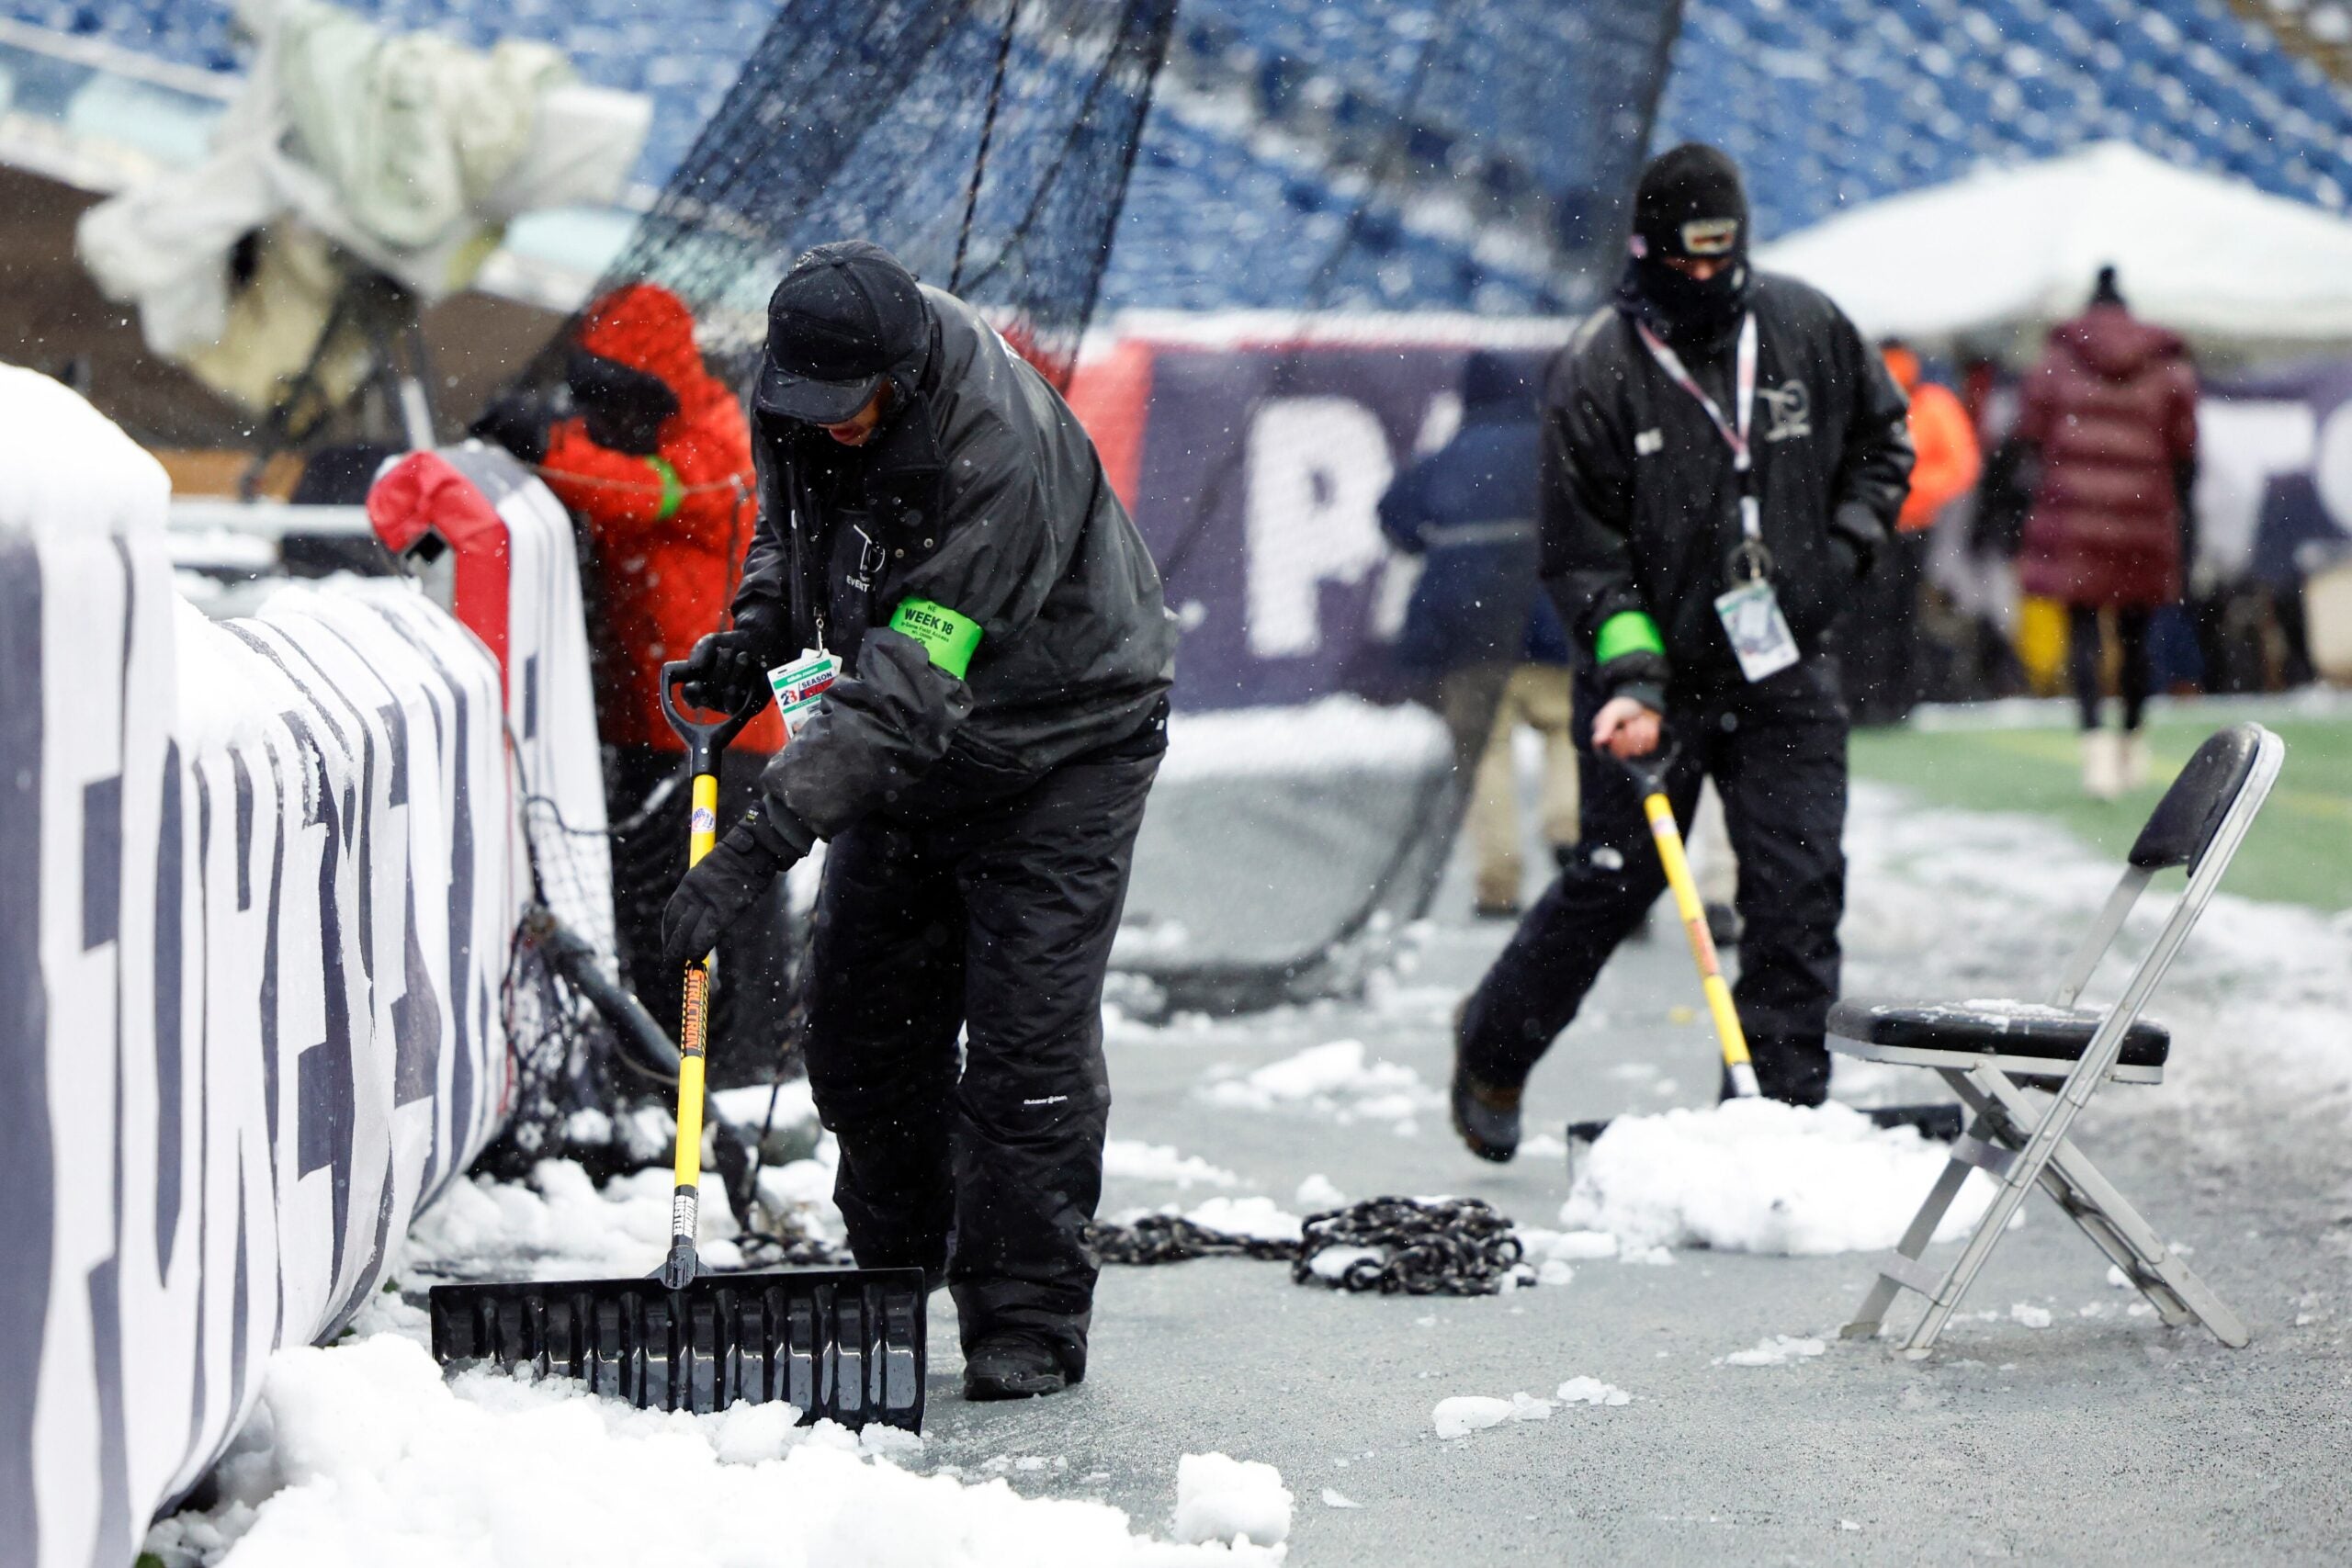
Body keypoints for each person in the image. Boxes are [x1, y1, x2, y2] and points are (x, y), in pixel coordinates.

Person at [661, 241, 1176, 1401]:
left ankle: (1026, 1314)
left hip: (1062, 745)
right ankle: (894, 1273)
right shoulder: (804, 381)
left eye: (851, 409)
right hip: (906, 735)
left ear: (900, 378)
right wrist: (760, 625)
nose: (829, 426)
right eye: (808, 407)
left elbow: (909, 684)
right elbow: (792, 526)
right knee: (858, 1033)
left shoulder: (995, 451)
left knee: (1024, 1048)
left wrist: (757, 847)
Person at [1448, 144, 1914, 1160]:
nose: (1705, 277)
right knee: (1615, 882)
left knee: (1796, 891)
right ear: (1645, 252)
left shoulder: (1806, 326)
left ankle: (1776, 1123)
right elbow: (1584, 560)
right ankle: (1491, 1041)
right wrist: (1634, 677)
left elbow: (1886, 444)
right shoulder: (1599, 372)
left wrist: (1839, 553)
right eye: (1684, 261)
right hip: (1654, 681)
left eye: (1721, 256)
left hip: (1785, 662)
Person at [470, 284, 796, 1081]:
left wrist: (546, 445)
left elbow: (641, 495)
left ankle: (744, 1071)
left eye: (616, 401)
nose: (602, 418)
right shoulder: (631, 440)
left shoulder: (716, 445)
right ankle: (662, 1069)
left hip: (725, 731)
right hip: (651, 727)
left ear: (651, 393)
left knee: (731, 914)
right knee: (653, 912)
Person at [1378, 351, 1577, 919]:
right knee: (1569, 733)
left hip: (1470, 635)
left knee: (1486, 753)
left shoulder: (1449, 457)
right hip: (1554, 624)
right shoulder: (1557, 452)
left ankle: (1498, 882)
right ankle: (1568, 828)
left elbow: (1395, 516)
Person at [2016, 265, 2198, 799]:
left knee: (2083, 635)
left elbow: (2030, 434)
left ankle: (2095, 750)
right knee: (2137, 639)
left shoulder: (2055, 362)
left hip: (2074, 516)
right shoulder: (2167, 366)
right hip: (2143, 517)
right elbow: (2187, 448)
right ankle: (2133, 741)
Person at [1845, 341, 1981, 723]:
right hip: (1882, 524)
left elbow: (1959, 465)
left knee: (1888, 614)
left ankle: (1885, 698)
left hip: (1898, 526)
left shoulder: (1925, 405)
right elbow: (1959, 465)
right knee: (1882, 614)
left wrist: (1901, 492)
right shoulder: (1906, 402)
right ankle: (1880, 697)